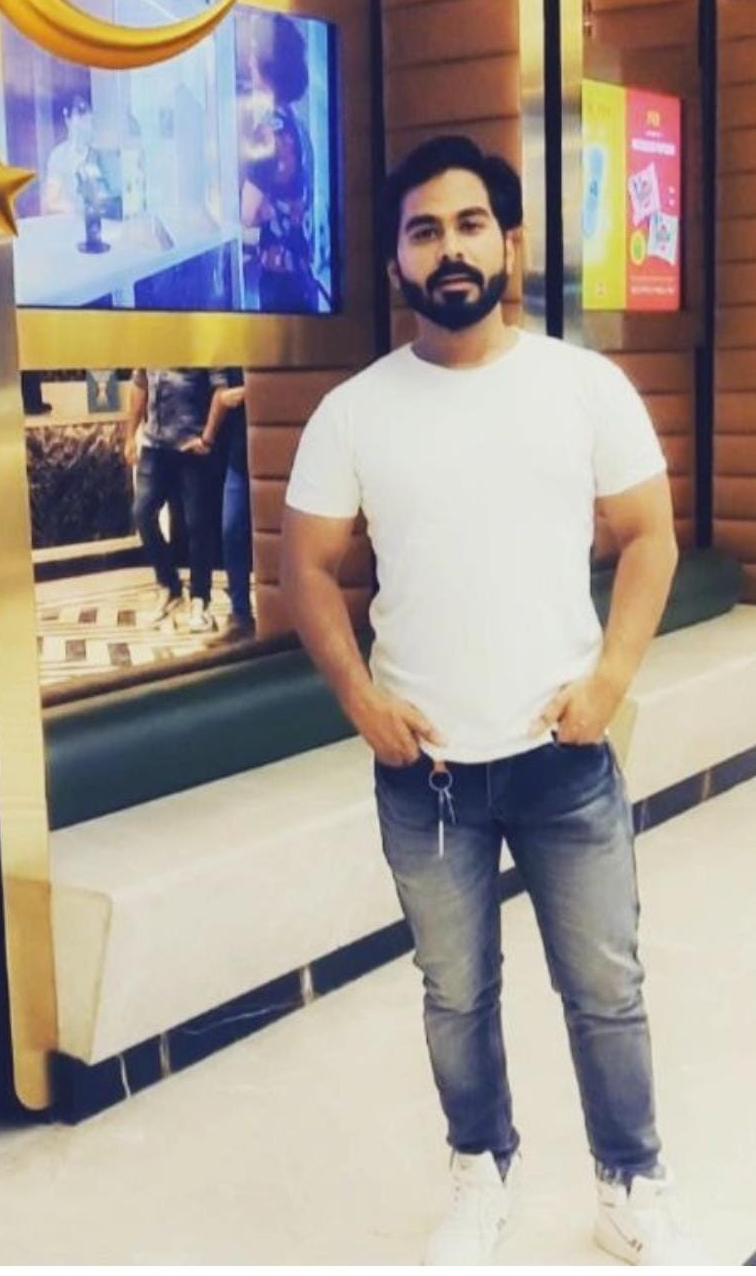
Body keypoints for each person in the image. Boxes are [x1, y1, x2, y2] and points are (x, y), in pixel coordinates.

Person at [281, 135, 699, 1264]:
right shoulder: (355, 412)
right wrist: (361, 700)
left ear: (509, 244)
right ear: (395, 263)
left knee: (604, 985)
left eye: (469, 225)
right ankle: (482, 1169)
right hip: (423, 773)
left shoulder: (582, 386)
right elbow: (305, 566)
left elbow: (650, 537)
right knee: (455, 993)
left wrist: (608, 682)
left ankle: (630, 1178)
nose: (449, 248)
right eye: (423, 231)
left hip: (561, 754)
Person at [125, 367, 239, 633]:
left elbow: (220, 391)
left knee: (197, 525)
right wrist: (130, 436)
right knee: (142, 512)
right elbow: (140, 384)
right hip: (154, 445)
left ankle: (200, 599)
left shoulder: (201, 344)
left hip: (191, 446)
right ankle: (169, 585)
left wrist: (207, 437)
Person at [239, 13, 319, 314]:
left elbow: (247, 214)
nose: (249, 59)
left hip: (279, 281)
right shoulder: (298, 126)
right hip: (303, 277)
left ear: (269, 62)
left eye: (254, 50)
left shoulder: (266, 131)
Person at [219, 367, 256, 643]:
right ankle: (240, 615)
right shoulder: (231, 357)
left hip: (277, 450)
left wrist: (251, 392)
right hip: (239, 456)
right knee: (231, 529)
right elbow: (221, 394)